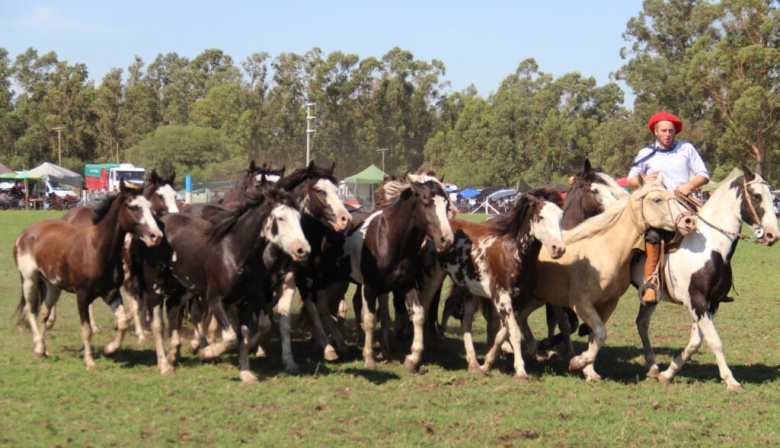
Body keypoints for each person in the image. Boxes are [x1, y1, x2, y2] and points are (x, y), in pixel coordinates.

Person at [627, 112, 710, 305]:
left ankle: (718, 283)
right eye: (663, 130)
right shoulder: (646, 153)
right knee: (653, 236)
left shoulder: (686, 148)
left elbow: (703, 174)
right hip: (657, 210)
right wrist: (644, 180)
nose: (667, 134)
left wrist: (690, 185)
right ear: (655, 131)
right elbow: (631, 180)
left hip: (685, 204)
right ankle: (650, 285)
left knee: (712, 232)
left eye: (671, 131)